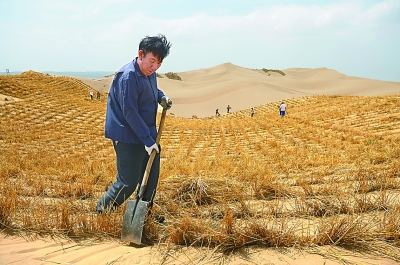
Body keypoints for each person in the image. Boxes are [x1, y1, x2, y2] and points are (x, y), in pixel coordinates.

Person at [97, 34, 172, 213]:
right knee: (128, 182)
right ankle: (102, 210)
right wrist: (148, 141)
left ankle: (143, 215)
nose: (154, 67)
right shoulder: (128, 77)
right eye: (152, 61)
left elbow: (152, 90)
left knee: (151, 179)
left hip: (147, 135)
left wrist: (162, 97)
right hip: (127, 136)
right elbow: (130, 112)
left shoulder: (149, 73)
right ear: (141, 54)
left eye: (159, 64)